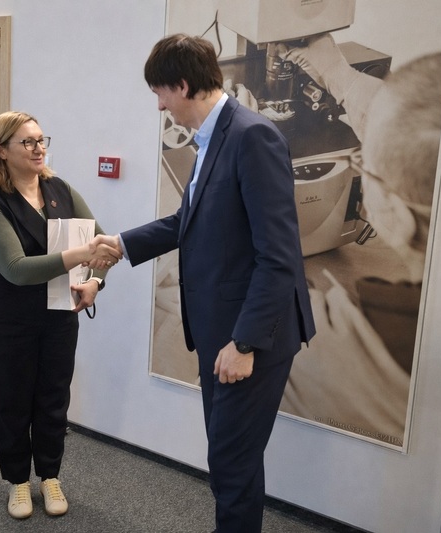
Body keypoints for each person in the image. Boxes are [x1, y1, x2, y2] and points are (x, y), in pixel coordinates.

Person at [93, 34, 316, 533]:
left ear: (184, 85)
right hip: (223, 332)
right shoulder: (214, 139)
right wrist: (123, 244)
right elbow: (187, 221)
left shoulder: (251, 137)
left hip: (250, 336)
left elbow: (278, 257)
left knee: (232, 465)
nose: (159, 106)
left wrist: (245, 342)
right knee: (230, 456)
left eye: (161, 93)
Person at [278, 34, 441, 443]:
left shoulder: (332, 349)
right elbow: (426, 123)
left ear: (399, 216)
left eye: (364, 166)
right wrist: (339, 75)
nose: (358, 164)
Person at [0, 111, 119, 520]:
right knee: (12, 398)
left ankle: (49, 476)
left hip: (57, 312)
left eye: (41, 139)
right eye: (27, 142)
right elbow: (17, 269)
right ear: (2, 151)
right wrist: (80, 255)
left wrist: (94, 282)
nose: (39, 148)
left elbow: (103, 245)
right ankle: (18, 482)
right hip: (7, 315)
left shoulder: (60, 190)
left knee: (53, 396)